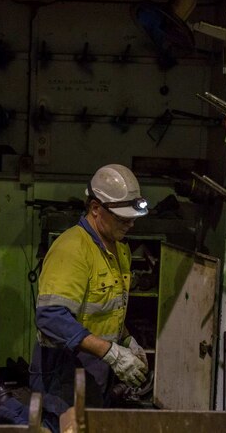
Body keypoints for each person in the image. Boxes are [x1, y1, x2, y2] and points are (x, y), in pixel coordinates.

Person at [30, 164, 150, 432]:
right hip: (64, 373)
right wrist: (112, 353)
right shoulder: (72, 249)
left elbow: (107, 308)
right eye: (122, 218)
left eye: (132, 218)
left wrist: (126, 340)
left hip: (98, 370)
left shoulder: (119, 249)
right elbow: (51, 317)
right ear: (96, 208)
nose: (130, 224)